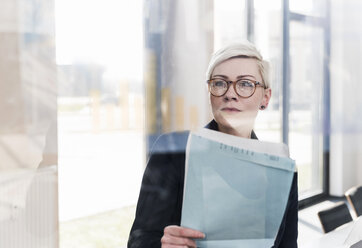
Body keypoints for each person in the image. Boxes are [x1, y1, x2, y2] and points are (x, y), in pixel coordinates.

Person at [128, 41, 298, 248]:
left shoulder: (280, 169)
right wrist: (162, 245)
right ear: (210, 92)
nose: (230, 93)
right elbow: (139, 241)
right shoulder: (175, 152)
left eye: (245, 83)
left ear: (265, 97)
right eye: (219, 83)